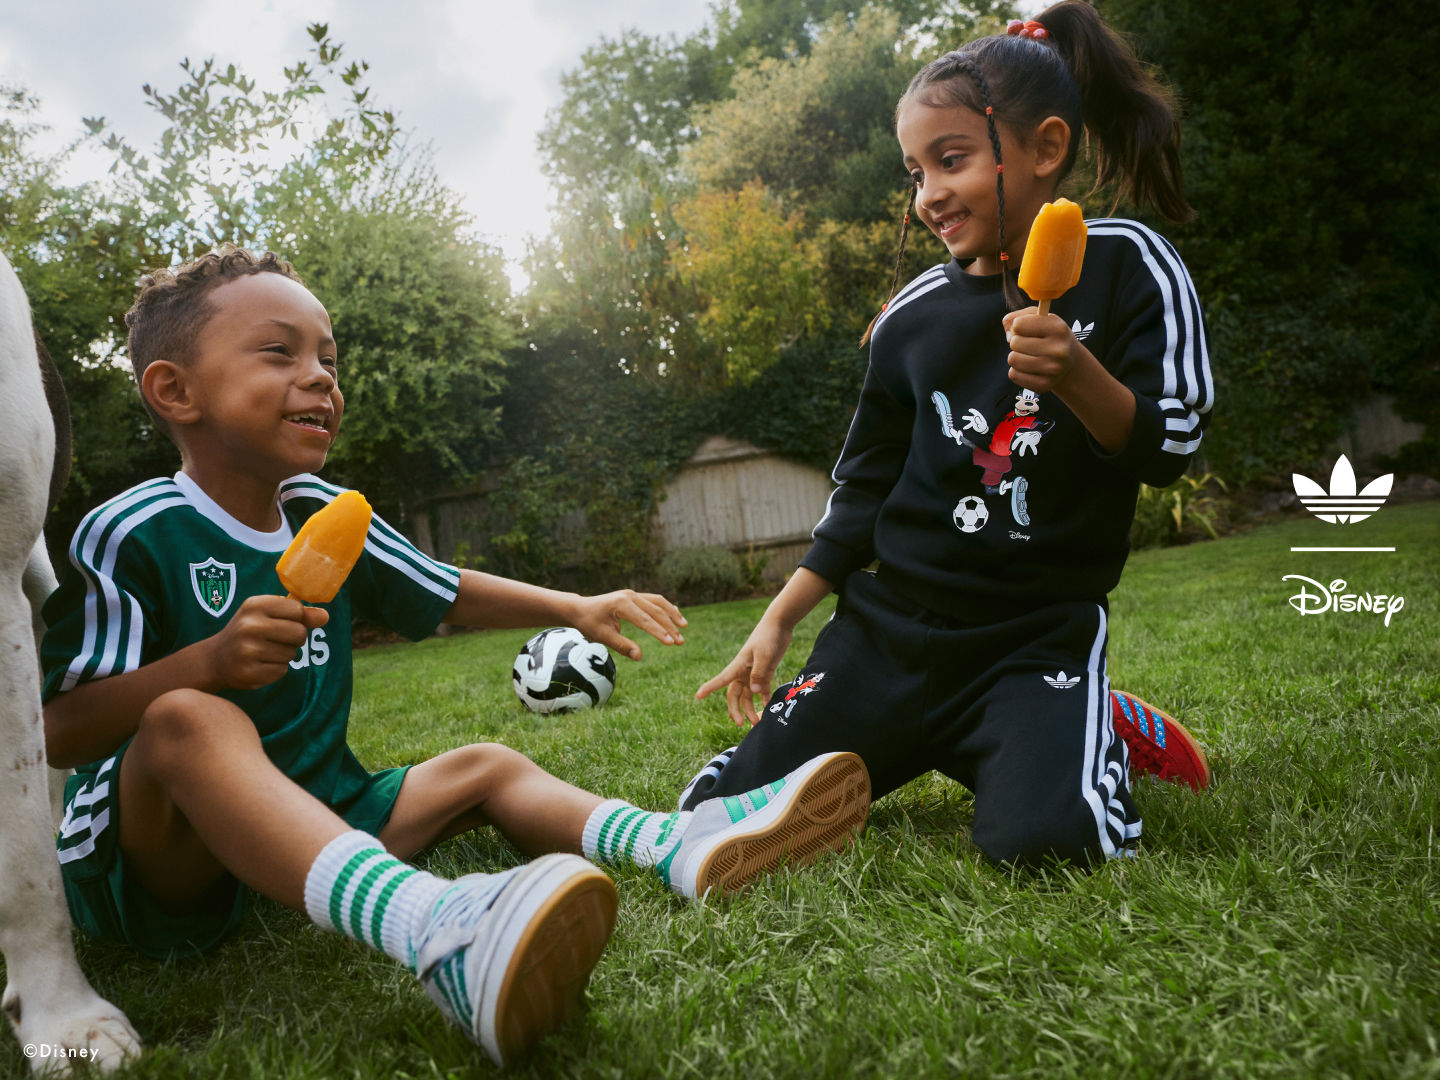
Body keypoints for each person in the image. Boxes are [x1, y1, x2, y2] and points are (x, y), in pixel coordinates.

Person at [41, 247, 870, 1067]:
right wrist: (208, 665)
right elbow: (59, 730)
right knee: (190, 717)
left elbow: (446, 589)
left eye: (329, 358)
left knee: (486, 764)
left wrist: (575, 605)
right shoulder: (133, 531)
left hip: (319, 813)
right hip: (159, 871)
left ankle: (680, 846)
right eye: (279, 351)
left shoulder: (326, 511)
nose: (322, 377)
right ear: (174, 391)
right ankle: (439, 928)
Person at [692, 1, 1214, 867]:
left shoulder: (1130, 266)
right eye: (914, 172)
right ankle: (980, 734)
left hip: (1030, 638)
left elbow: (1171, 446)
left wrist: (1078, 376)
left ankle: (1082, 728)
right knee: (716, 815)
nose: (929, 194)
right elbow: (862, 490)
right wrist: (781, 618)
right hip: (885, 637)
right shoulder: (910, 321)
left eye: (952, 159)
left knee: (1050, 844)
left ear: (1045, 149)